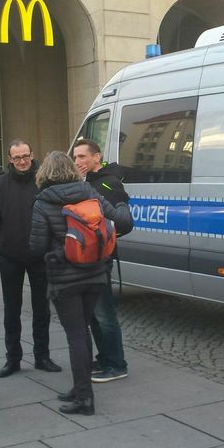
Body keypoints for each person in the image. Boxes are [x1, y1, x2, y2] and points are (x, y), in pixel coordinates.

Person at [28, 151, 132, 415]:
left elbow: (37, 246)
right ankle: (80, 387)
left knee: (76, 334)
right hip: (95, 274)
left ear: (45, 173)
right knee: (82, 331)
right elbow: (120, 221)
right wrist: (122, 206)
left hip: (65, 279)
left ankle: (84, 397)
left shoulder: (43, 202)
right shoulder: (89, 192)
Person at [0, 140, 61, 377]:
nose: (22, 161)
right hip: (10, 257)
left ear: (32, 155)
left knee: (41, 309)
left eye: (25, 156)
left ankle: (42, 356)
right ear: (9, 159)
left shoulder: (44, 182)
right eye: (17, 158)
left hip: (40, 256)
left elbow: (55, 216)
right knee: (11, 310)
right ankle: (13, 359)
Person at [72, 140, 130, 383]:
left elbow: (118, 220)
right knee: (93, 313)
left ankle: (117, 363)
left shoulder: (109, 182)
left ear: (97, 158)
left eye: (82, 157)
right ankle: (104, 357)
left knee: (104, 313)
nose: (78, 162)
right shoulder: (85, 182)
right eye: (75, 158)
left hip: (102, 258)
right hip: (85, 257)